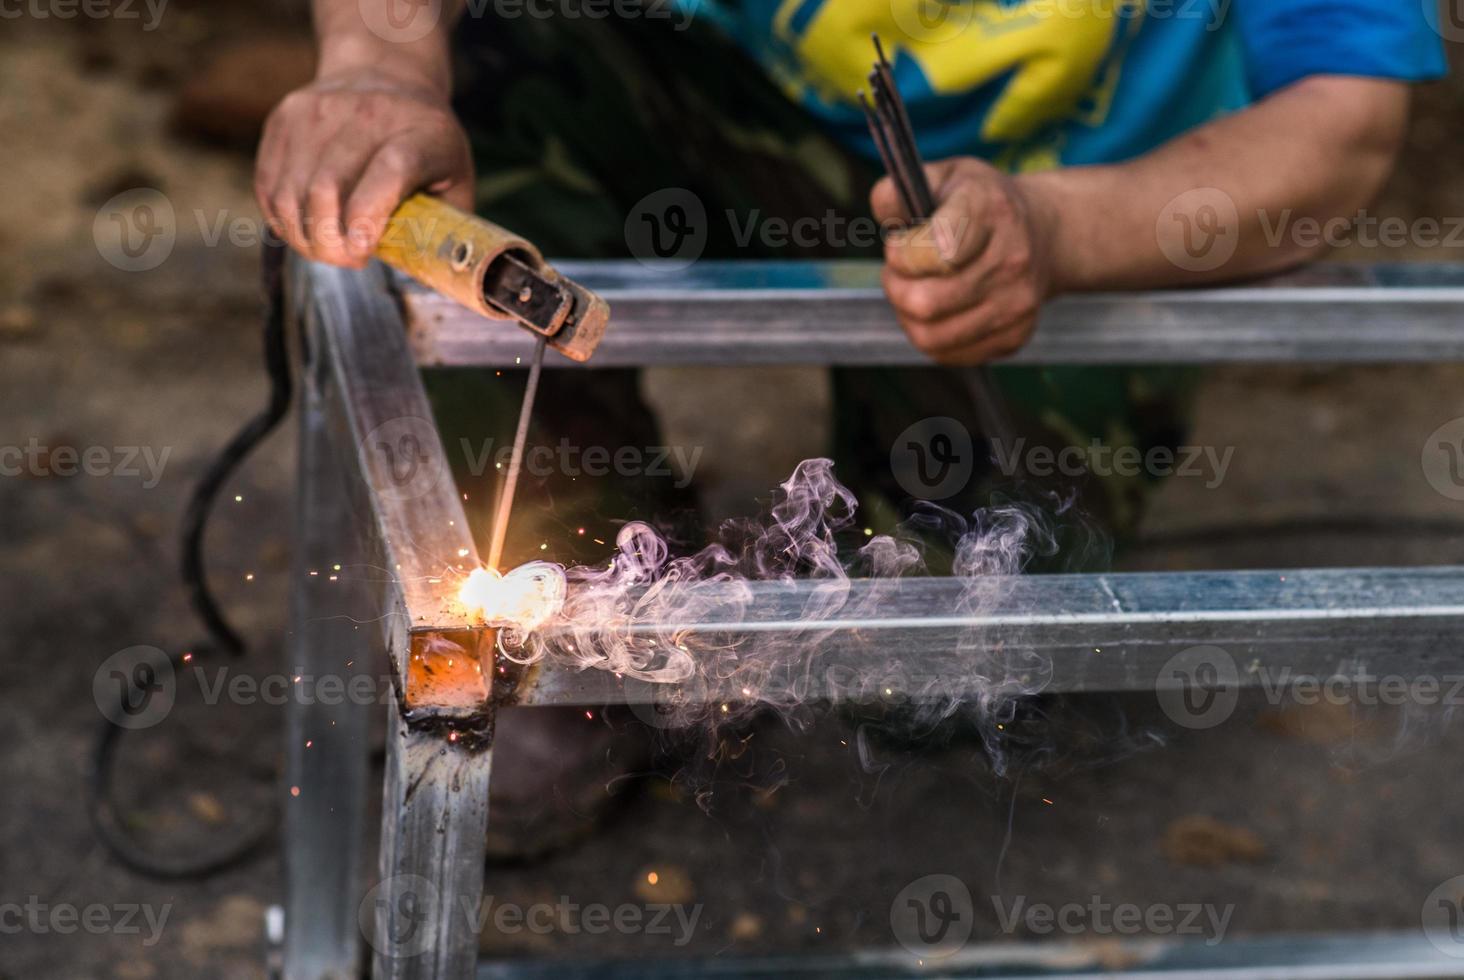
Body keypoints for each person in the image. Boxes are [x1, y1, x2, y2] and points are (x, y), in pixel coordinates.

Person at [255, 0, 1446, 856]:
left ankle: (795, 563)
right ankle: (563, 593)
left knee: (943, 663)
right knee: (482, 86)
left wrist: (1060, 232)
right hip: (705, 96)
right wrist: (379, 64)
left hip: (1074, 200)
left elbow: (1342, 122)